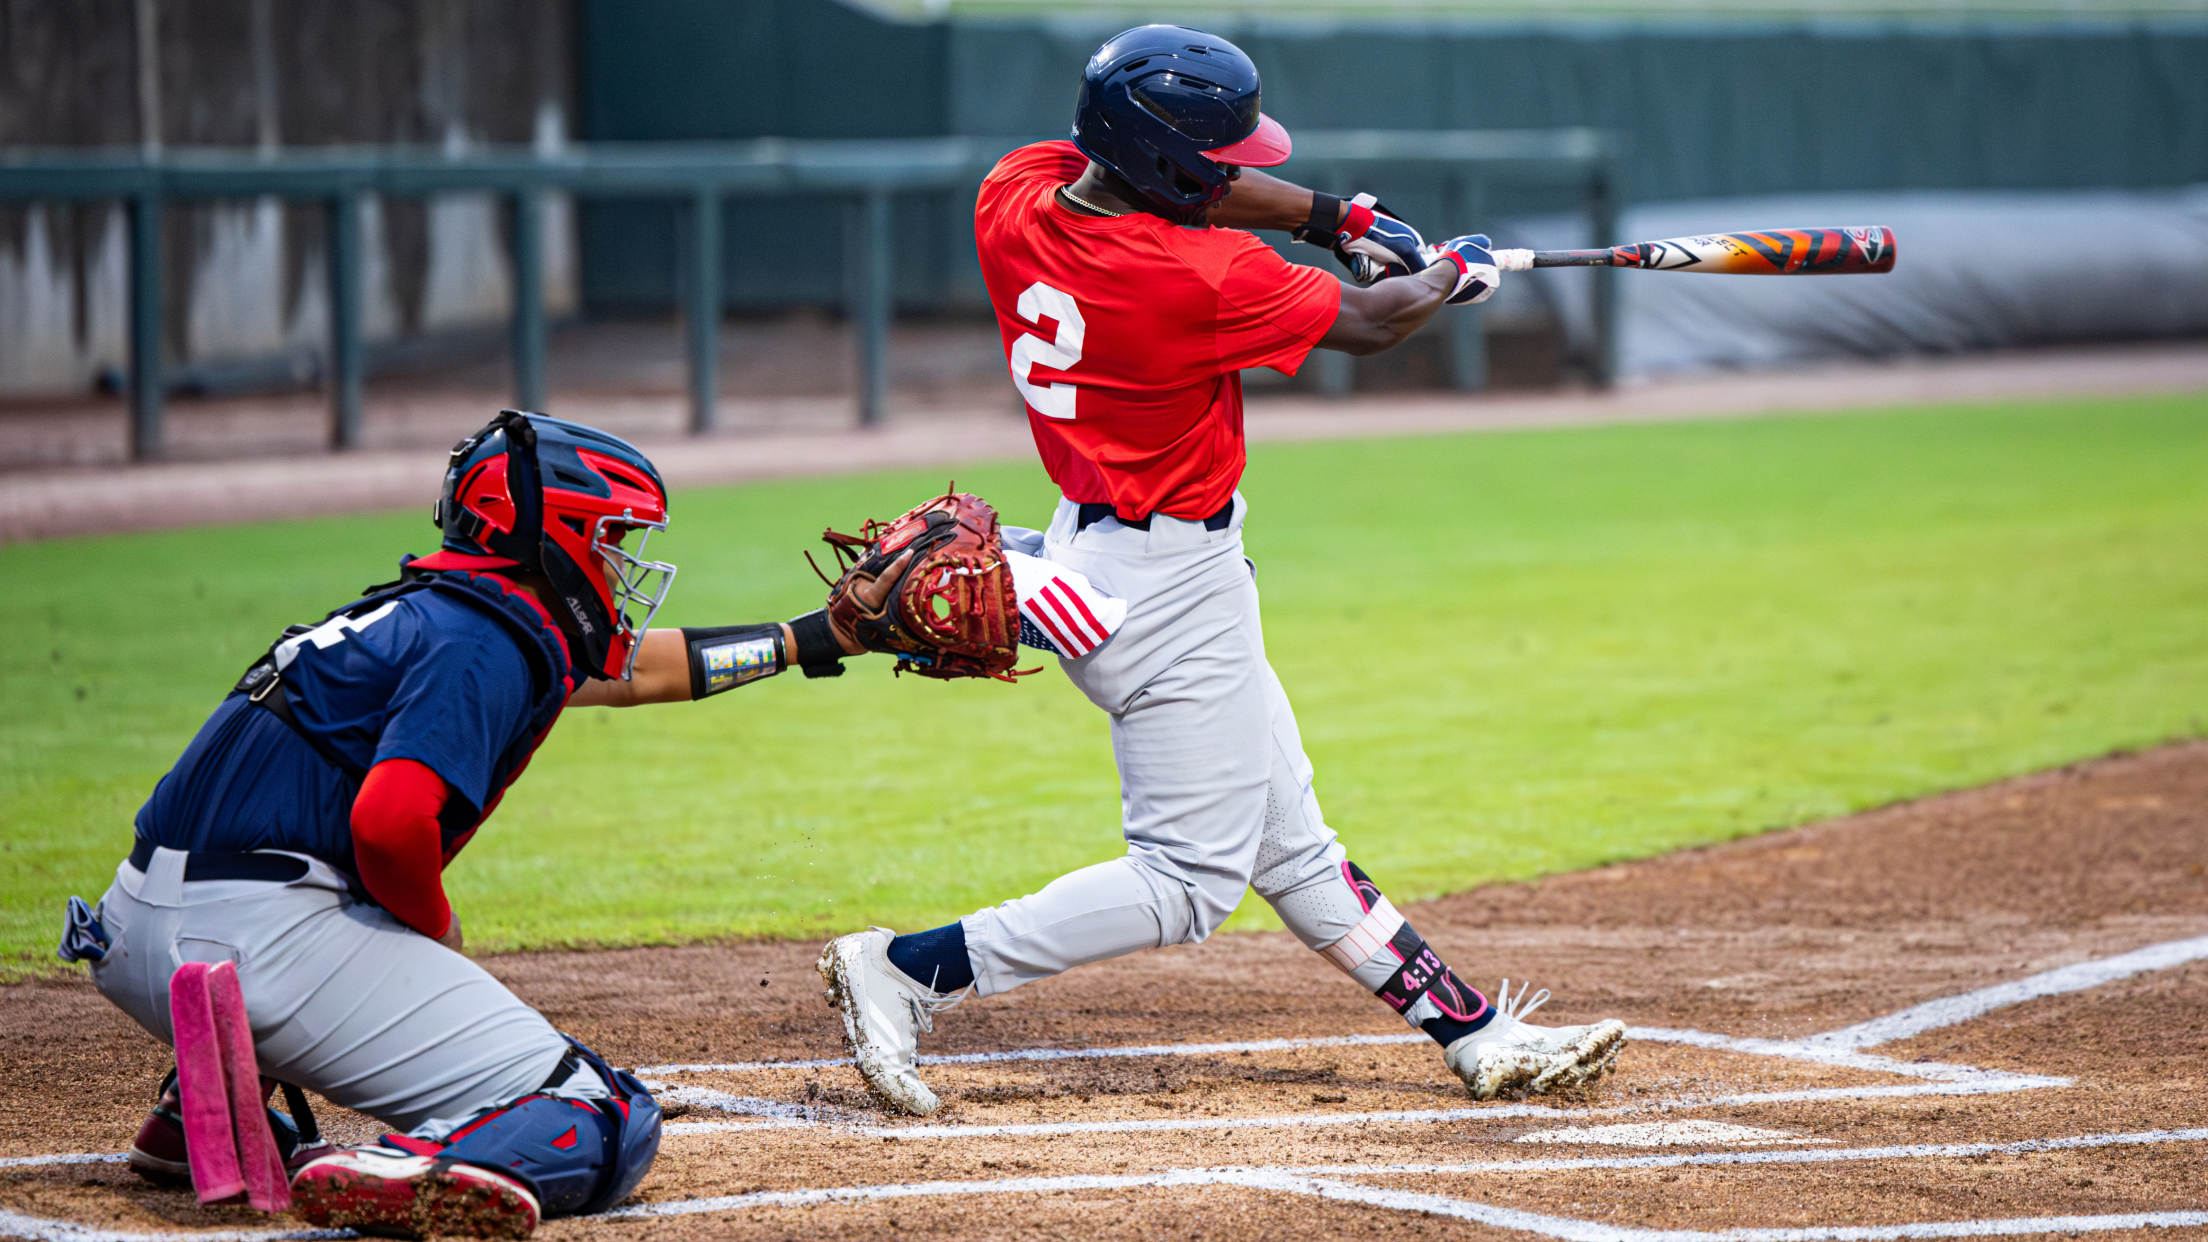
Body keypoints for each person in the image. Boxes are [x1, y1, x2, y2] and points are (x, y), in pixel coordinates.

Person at [818, 25, 1626, 1117]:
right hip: (1157, 591)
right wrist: (1452, 273)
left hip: (1112, 551)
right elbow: (1378, 323)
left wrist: (1336, 218)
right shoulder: (1198, 279)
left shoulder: (1014, 194)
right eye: (1227, 158)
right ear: (1175, 168)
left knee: (1288, 838)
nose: (1246, 170)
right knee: (1187, 885)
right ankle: (907, 971)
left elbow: (1195, 194)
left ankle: (1475, 1035)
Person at [61, 411, 864, 1239]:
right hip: (256, 946)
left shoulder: (433, 612)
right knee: (596, 1108)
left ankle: (199, 1114)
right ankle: (426, 1167)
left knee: (345, 896)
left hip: (139, 932)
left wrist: (815, 638)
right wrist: (433, 926)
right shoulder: (485, 639)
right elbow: (388, 822)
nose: (622, 559)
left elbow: (632, 673)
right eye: (609, 534)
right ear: (553, 530)